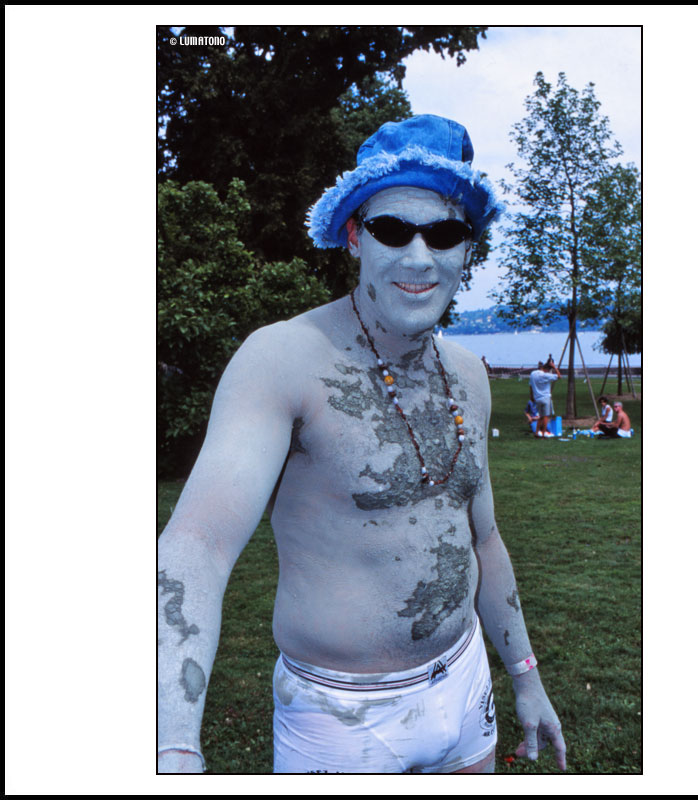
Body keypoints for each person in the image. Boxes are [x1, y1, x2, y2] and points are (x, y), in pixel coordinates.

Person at [157, 115, 566, 775]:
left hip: (466, 688)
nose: (419, 257)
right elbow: (197, 543)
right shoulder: (284, 358)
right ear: (354, 235)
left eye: (445, 233)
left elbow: (483, 539)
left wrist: (525, 675)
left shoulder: (469, 374)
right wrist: (174, 742)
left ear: (468, 248)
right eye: (392, 229)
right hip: (338, 720)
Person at [529, 357, 561, 438]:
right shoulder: (546, 375)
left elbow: (530, 386)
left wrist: (531, 396)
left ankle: (536, 432)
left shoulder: (533, 374)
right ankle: (543, 434)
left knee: (540, 416)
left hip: (537, 398)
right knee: (546, 416)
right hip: (546, 398)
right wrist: (554, 367)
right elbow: (559, 376)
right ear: (547, 369)